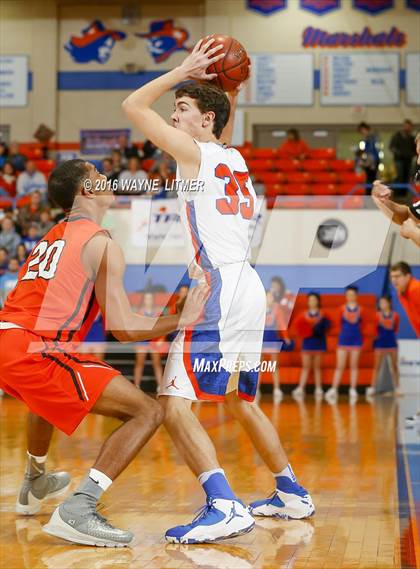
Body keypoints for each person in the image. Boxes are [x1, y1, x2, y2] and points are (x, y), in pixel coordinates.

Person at [123, 37, 315, 544]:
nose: (173, 115)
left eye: (181, 108)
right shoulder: (236, 159)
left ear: (206, 120)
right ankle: (291, 491)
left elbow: (131, 106)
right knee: (240, 401)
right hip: (247, 284)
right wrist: (218, 86)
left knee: (173, 402)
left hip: (218, 285)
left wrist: (182, 70)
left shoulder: (195, 152)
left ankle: (224, 504)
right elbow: (220, 115)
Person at [0, 159, 206, 547]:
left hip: (9, 340)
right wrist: (181, 317)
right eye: (98, 176)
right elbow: (124, 327)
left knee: (45, 395)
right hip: (31, 347)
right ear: (88, 191)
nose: (107, 180)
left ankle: (35, 478)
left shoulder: (52, 236)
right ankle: (80, 508)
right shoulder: (102, 243)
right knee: (147, 410)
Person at [325, 286, 363, 404]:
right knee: (340, 366)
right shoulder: (341, 309)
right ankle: (334, 389)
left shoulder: (361, 310)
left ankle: (353, 389)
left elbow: (364, 325)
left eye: (352, 294)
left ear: (356, 295)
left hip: (356, 340)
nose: (350, 296)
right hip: (343, 340)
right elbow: (336, 324)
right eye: (348, 294)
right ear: (346, 296)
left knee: (354, 366)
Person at [292, 292, 330, 401]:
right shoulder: (303, 315)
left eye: (314, 300)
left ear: (318, 301)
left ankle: (318, 388)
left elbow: (328, 327)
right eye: (310, 300)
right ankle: (300, 388)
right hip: (307, 344)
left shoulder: (323, 314)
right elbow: (297, 328)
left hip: (319, 343)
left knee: (317, 367)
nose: (312, 302)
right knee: (306, 367)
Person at [366, 296, 400, 400]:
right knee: (377, 366)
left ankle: (397, 388)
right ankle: (372, 387)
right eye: (380, 303)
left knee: (394, 366)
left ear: (389, 303)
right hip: (380, 343)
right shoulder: (377, 316)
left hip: (391, 343)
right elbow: (374, 329)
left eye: (384, 303)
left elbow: (396, 328)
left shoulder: (395, 316)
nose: (382, 305)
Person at [133, 291, 166, 389]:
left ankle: (160, 386)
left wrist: (161, 339)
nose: (148, 300)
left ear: (153, 300)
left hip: (154, 340)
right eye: (147, 298)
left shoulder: (158, 312)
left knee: (157, 363)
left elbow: (163, 327)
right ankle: (136, 386)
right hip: (142, 340)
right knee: (139, 363)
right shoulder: (138, 312)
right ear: (144, 300)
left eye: (150, 298)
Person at [258, 290, 283, 403]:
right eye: (267, 297)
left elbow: (281, 324)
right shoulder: (259, 310)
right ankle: (256, 389)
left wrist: (285, 338)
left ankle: (277, 389)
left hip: (272, 341)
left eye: (271, 297)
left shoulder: (277, 310)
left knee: (274, 366)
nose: (269, 299)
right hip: (261, 341)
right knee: (258, 367)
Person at [389, 120, 416, 185]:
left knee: (407, 176)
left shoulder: (412, 138)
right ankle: (398, 193)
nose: (407, 128)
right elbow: (391, 147)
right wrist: (399, 153)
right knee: (399, 176)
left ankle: (404, 193)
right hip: (399, 160)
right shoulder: (397, 136)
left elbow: (415, 149)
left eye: (409, 126)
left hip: (408, 161)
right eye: (406, 126)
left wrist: (412, 155)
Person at [356, 122, 380, 191]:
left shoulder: (371, 138)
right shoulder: (366, 139)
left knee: (372, 180)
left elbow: (371, 151)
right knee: (369, 179)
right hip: (370, 161)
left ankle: (371, 196)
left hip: (373, 161)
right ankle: (369, 195)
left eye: (362, 130)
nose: (362, 133)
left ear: (366, 129)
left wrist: (368, 163)